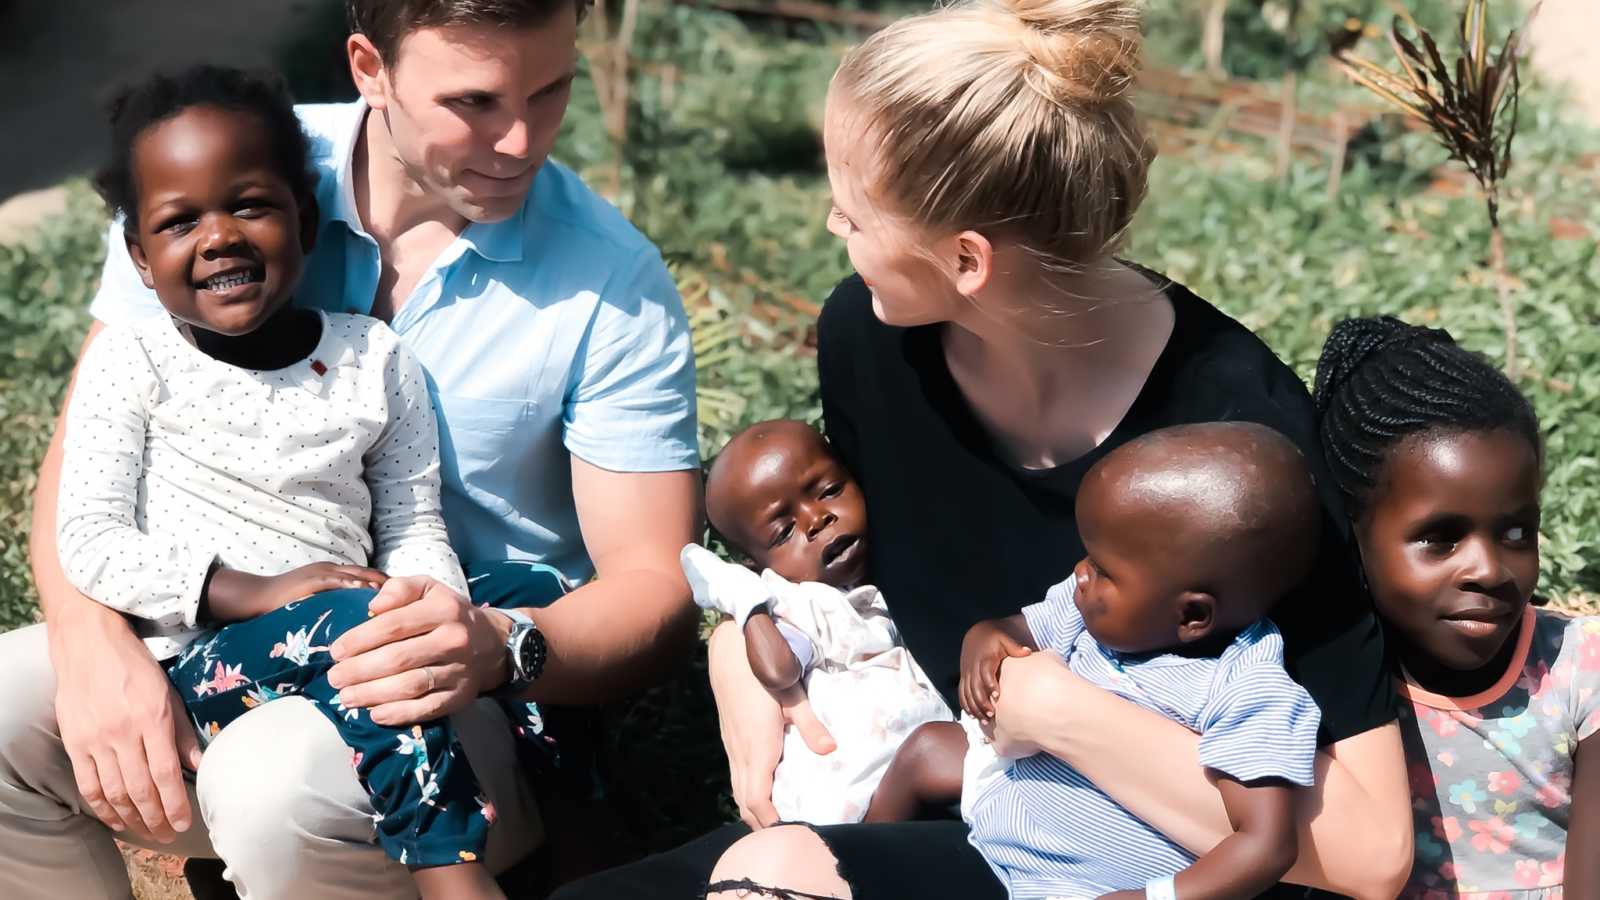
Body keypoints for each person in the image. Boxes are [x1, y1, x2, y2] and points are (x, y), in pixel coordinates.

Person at [554, 0, 1413, 897]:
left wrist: (1063, 715)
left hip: (1140, 877)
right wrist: (744, 642)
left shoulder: (1238, 446)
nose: (830, 227)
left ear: (966, 260)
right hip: (952, 807)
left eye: (853, 211)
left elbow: (1370, 852)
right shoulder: (871, 340)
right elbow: (858, 568)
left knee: (770, 874)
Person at [0, 1, 701, 897]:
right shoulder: (217, 166)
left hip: (467, 692)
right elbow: (83, 475)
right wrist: (93, 642)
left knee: (273, 782)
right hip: (213, 633)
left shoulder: (612, 282)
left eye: (552, 89)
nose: (522, 140)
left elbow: (655, 587)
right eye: (475, 101)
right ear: (370, 68)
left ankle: (467, 860)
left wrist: (487, 642)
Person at [52, 65, 572, 900]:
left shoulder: (373, 356)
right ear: (141, 259)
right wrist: (247, 591)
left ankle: (566, 811)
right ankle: (450, 870)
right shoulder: (132, 360)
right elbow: (91, 538)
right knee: (360, 631)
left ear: (306, 219)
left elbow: (410, 520)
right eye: (179, 222)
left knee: (520, 592)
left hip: (351, 621)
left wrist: (428, 609)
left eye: (250, 204)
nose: (218, 236)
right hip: (204, 660)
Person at [951, 422, 1322, 899]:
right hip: (996, 824)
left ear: (1192, 614)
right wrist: (982, 639)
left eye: (1103, 570)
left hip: (1082, 886)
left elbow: (1266, 845)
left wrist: (1156, 897)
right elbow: (1011, 631)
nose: (1080, 573)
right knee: (925, 751)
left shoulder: (1247, 689)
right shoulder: (1084, 610)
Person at [1311, 316, 1598, 898]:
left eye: (1517, 533)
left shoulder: (1580, 670)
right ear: (1350, 534)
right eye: (1441, 539)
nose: (1489, 570)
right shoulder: (1320, 682)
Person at [683, 419, 951, 826]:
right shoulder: (796, 604)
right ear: (755, 564)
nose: (817, 519)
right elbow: (779, 670)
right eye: (784, 531)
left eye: (829, 491)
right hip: (856, 798)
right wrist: (750, 607)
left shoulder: (890, 574)